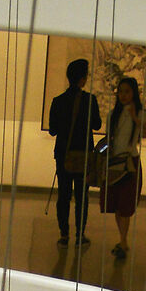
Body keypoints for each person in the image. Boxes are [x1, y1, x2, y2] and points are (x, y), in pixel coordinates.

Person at [47, 57, 101, 246]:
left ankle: (64, 234)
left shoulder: (58, 101)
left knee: (63, 195)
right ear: (82, 78)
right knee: (81, 196)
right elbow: (97, 125)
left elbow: (53, 130)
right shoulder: (90, 100)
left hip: (63, 154)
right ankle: (80, 235)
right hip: (84, 155)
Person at [100, 74, 146, 258]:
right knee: (116, 203)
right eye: (120, 92)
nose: (123, 95)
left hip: (130, 162)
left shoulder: (141, 113)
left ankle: (123, 240)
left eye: (127, 92)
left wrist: (135, 117)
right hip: (113, 162)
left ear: (133, 93)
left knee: (126, 204)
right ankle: (122, 239)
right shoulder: (113, 114)